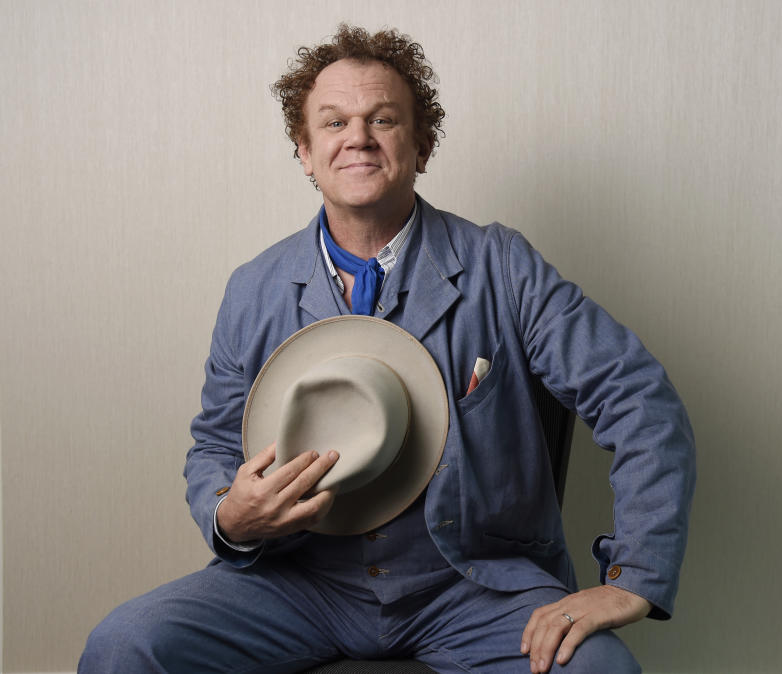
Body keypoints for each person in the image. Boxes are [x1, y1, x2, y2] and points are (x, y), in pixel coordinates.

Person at [80, 24, 695, 673]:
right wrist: (229, 518)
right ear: (305, 149)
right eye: (334, 122)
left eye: (383, 119)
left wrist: (634, 575)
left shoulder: (501, 265)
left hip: (472, 588)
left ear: (422, 143)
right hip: (300, 583)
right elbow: (214, 446)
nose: (358, 137)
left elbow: (637, 398)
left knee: (603, 670)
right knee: (125, 645)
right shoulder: (252, 288)